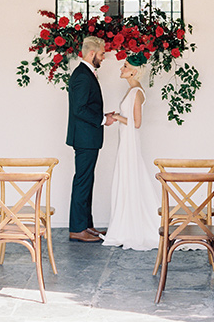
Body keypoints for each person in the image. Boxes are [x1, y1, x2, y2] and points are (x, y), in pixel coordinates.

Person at [102, 53, 160, 251]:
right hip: (125, 141)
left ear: (134, 71)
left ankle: (132, 227)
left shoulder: (136, 92)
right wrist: (117, 116)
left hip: (130, 142)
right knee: (126, 178)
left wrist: (117, 117)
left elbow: (136, 123)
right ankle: (124, 225)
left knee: (130, 177)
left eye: (124, 66)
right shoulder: (132, 91)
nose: (121, 69)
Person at [67, 35, 116, 242]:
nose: (104, 57)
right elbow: (79, 109)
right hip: (85, 138)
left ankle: (87, 225)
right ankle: (78, 229)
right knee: (83, 181)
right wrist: (103, 120)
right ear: (92, 53)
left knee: (87, 181)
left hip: (89, 138)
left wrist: (104, 117)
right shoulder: (81, 75)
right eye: (103, 53)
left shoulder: (86, 73)